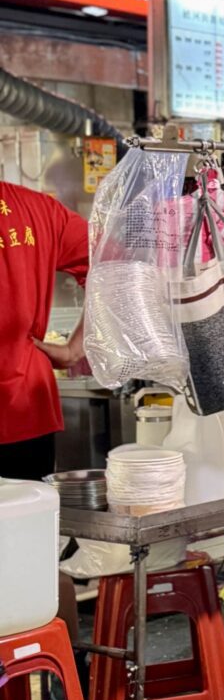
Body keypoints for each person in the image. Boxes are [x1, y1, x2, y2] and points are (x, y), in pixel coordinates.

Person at [0, 178, 89, 478]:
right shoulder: (38, 210)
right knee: (28, 520)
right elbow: (112, 264)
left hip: (24, 407)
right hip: (26, 406)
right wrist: (75, 349)